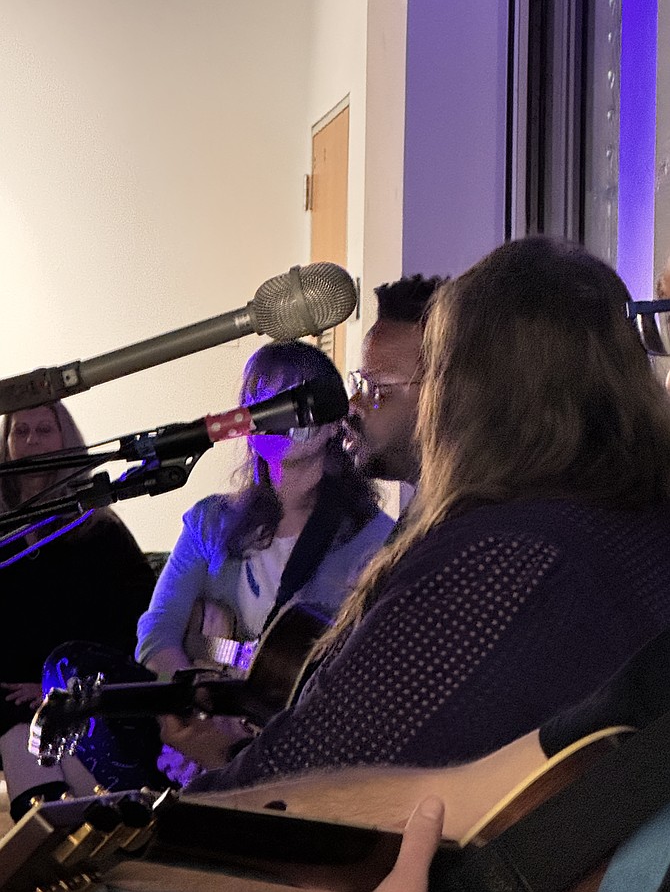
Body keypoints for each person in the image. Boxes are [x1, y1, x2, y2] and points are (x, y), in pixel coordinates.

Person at [180, 235, 670, 794]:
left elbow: (306, 770)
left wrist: (161, 816)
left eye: (437, 372)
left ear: (469, 393)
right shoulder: (634, 520)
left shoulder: (493, 554)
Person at [137, 340, 394, 778]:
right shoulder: (209, 521)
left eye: (294, 398)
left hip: (302, 753)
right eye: (262, 399)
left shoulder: (375, 538)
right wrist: (194, 700)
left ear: (334, 424)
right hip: (203, 742)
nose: (276, 414)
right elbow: (156, 633)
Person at [0, 401, 157, 820]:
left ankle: (84, 822)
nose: (31, 441)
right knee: (12, 717)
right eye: (21, 431)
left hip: (77, 687)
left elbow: (134, 625)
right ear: (7, 443)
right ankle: (79, 823)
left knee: (28, 725)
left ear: (65, 438)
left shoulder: (100, 530)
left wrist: (52, 684)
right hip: (7, 690)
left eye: (43, 430)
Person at [345, 274, 443, 486]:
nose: (353, 405)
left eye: (377, 389)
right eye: (359, 384)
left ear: (442, 393)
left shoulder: (491, 515)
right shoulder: (429, 514)